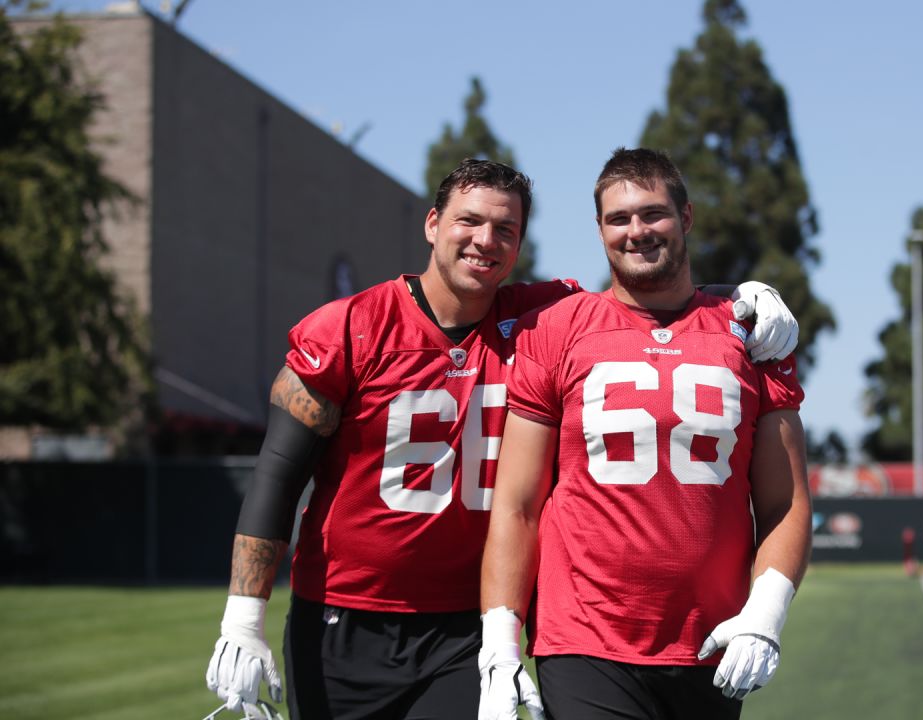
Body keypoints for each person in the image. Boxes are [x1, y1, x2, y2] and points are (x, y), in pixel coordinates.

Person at [204, 158, 801, 720]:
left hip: (467, 621)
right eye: (469, 221)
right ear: (433, 224)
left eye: (505, 229)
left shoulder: (542, 317)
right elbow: (278, 475)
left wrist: (743, 297)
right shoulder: (350, 327)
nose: (486, 240)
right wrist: (242, 617)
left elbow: (650, 286)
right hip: (344, 612)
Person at [479, 148, 812, 720]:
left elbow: (785, 503)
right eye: (618, 218)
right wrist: (499, 647)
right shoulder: (557, 329)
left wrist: (767, 613)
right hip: (584, 640)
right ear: (600, 229)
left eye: (653, 214)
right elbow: (517, 506)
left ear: (686, 216)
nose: (637, 231)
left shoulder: (750, 333)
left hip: (711, 641)